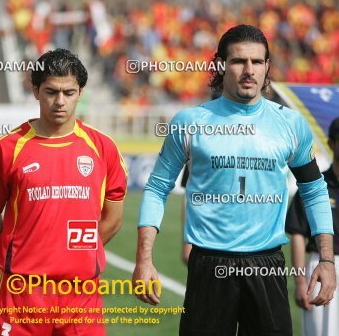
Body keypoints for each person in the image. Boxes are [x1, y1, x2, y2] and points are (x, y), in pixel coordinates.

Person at [132, 24, 336, 335]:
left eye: (257, 62)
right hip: (209, 267)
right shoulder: (190, 122)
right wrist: (144, 259)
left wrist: (326, 259)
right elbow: (157, 188)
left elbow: (314, 189)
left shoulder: (291, 124)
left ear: (267, 66)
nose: (248, 70)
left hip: (267, 266)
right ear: (220, 65)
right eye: (239, 61)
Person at [0, 48, 127, 336]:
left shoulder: (102, 147)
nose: (60, 101)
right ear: (35, 90)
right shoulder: (9, 147)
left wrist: (78, 254)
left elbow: (113, 218)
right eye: (51, 92)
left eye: (69, 92)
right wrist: (21, 252)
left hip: (81, 293)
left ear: (80, 92)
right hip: (22, 292)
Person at [286, 117, 339, 336]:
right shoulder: (315, 185)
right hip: (320, 266)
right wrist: (300, 282)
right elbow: (297, 234)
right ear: (331, 143)